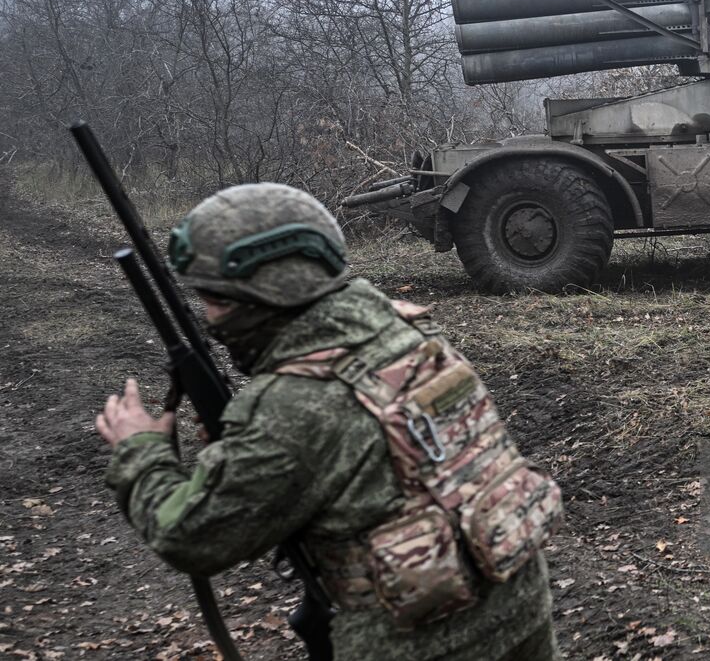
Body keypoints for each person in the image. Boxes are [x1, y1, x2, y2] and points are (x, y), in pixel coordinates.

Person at [95, 183, 559, 660]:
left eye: (213, 299)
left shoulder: (292, 406)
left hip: (418, 643)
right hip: (519, 606)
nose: (208, 316)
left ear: (259, 296)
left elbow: (192, 537)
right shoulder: (402, 327)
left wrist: (140, 451)